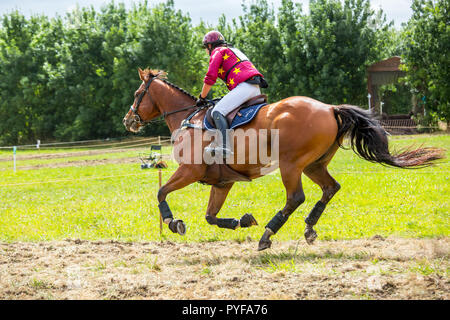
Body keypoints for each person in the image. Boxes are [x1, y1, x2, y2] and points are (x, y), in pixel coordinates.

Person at [196, 30, 267, 159]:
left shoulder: (218, 51)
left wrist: (202, 97)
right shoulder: (232, 50)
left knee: (217, 111)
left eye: (206, 48)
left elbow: (210, 77)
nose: (206, 52)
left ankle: (224, 147)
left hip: (245, 86)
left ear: (210, 46)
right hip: (254, 87)